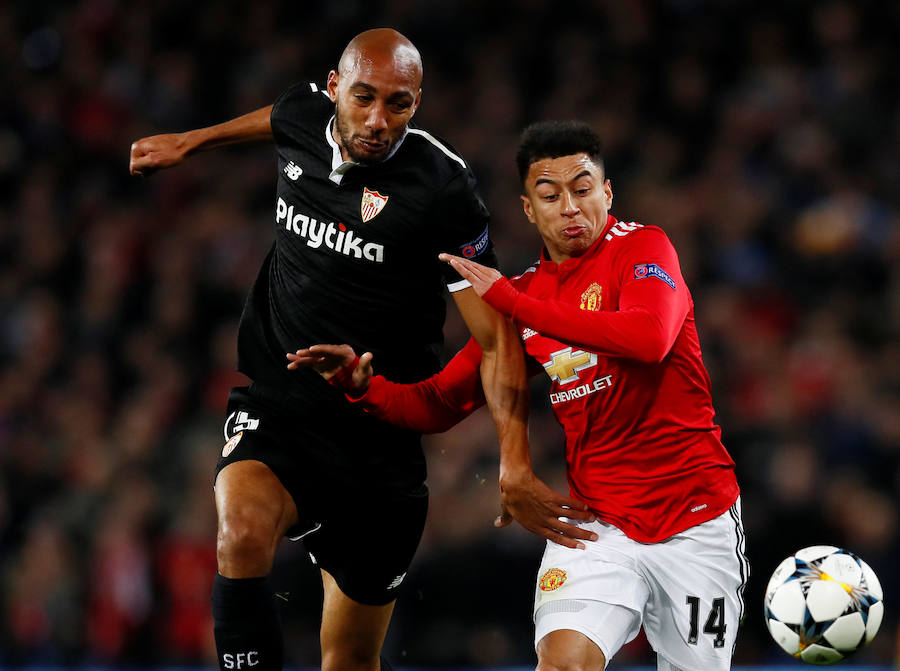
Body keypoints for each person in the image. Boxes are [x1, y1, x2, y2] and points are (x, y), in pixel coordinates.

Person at [128, 30, 595, 671]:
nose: (377, 121)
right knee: (239, 537)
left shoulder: (442, 188)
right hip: (282, 404)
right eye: (363, 98)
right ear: (333, 88)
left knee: (348, 661)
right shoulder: (304, 115)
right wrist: (192, 142)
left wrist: (513, 462)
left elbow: (495, 336)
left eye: (398, 104)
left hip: (380, 438)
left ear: (418, 100)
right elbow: (277, 118)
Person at [291, 120, 749, 671]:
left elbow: (648, 339)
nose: (570, 207)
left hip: (696, 524)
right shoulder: (527, 293)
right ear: (529, 209)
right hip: (595, 527)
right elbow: (441, 402)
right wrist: (365, 389)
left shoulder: (644, 248)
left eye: (583, 190)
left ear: (607, 193)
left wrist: (513, 302)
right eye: (550, 196)